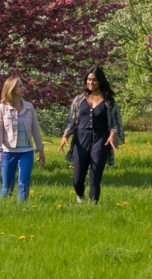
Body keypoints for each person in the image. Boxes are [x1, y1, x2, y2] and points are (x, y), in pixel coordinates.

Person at [58, 66, 124, 203]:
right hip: (81, 139)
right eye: (88, 79)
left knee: (95, 175)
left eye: (94, 80)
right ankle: (80, 196)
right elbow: (71, 120)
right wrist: (65, 135)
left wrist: (113, 134)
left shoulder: (109, 101)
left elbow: (116, 123)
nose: (91, 83)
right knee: (77, 178)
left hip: (101, 139)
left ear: (100, 81)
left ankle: (93, 206)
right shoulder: (79, 99)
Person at [0, 77, 45, 200]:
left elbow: (35, 129)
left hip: (26, 151)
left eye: (22, 85)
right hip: (8, 152)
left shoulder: (29, 107)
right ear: (11, 89)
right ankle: (5, 207)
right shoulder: (2, 108)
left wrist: (40, 150)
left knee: (24, 182)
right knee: (7, 185)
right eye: (20, 86)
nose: (23, 88)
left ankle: (22, 209)